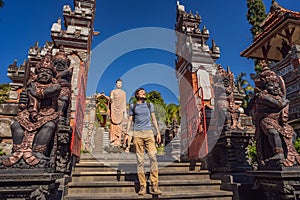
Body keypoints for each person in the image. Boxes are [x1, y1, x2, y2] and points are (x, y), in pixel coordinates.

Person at [2, 51, 61, 167]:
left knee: (49, 126)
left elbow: (43, 93)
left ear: (53, 76)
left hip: (46, 113)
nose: (44, 74)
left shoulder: (55, 87)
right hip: (28, 114)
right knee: (15, 125)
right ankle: (18, 150)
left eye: (48, 72)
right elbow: (23, 104)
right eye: (42, 72)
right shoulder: (31, 85)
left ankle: (38, 152)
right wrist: (23, 101)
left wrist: (32, 90)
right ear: (36, 74)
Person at [124, 88, 162, 195]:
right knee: (140, 161)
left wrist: (158, 132)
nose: (144, 93)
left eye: (144, 92)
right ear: (137, 94)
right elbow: (130, 120)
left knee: (153, 158)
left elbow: (153, 119)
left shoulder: (150, 105)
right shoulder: (133, 106)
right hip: (137, 134)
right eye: (141, 92)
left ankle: (155, 185)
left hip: (149, 133)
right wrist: (127, 133)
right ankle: (142, 186)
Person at [106, 78, 127, 153]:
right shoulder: (113, 91)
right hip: (114, 111)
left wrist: (125, 113)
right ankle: (112, 141)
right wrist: (111, 99)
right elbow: (110, 101)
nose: (119, 85)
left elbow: (124, 103)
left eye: (120, 84)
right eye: (118, 83)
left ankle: (117, 143)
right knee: (113, 127)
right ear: (116, 84)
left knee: (119, 127)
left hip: (120, 112)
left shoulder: (124, 93)